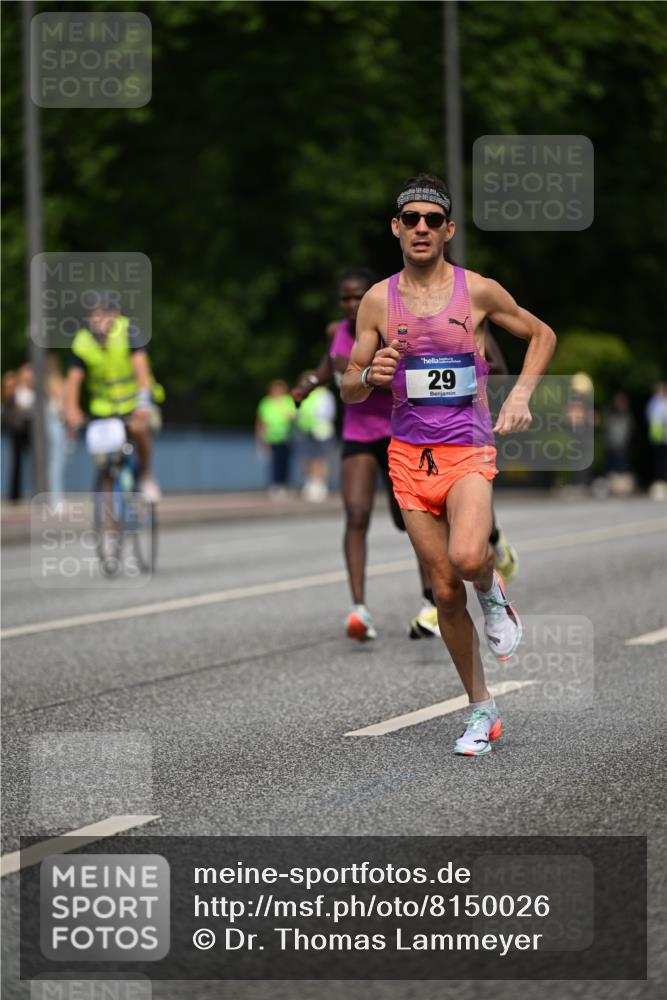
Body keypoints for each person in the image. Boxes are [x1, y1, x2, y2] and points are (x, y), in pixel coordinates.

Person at [341, 173, 556, 756]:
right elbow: (350, 386)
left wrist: (519, 396)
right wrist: (368, 376)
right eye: (410, 218)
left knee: (465, 558)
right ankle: (480, 710)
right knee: (442, 590)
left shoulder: (478, 291)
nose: (420, 228)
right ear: (395, 227)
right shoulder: (378, 300)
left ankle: (492, 589)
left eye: (432, 220)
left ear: (448, 229)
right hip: (408, 457)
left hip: (467, 448)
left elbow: (542, 334)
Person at [293, 269, 441, 641]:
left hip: (399, 433)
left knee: (407, 520)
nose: (351, 304)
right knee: (356, 514)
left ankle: (431, 603)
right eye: (345, 298)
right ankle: (359, 610)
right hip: (357, 433)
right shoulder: (339, 331)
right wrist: (310, 383)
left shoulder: (393, 326)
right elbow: (333, 363)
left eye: (358, 296)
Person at [64, 295, 164, 501]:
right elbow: (73, 380)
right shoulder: (82, 341)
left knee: (139, 428)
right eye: (94, 314)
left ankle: (146, 474)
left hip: (136, 403)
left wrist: (143, 403)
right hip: (104, 409)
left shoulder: (128, 331)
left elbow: (141, 371)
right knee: (104, 463)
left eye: (104, 313)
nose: (98, 318)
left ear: (115, 314)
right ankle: (110, 527)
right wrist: (71, 410)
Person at [295, 374, 336, 502]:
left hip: (321, 432)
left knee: (320, 459)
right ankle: (311, 482)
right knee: (308, 459)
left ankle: (320, 484)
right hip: (305, 431)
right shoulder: (301, 395)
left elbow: (328, 413)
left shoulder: (324, 394)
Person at [256, 379, 296, 498]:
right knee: (274, 462)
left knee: (285, 461)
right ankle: (275, 484)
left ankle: (284, 484)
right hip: (271, 437)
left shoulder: (288, 401)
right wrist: (260, 436)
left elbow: (294, 416)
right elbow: (261, 420)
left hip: (286, 437)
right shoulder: (266, 402)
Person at [2, 363, 34, 502]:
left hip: (32, 428)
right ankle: (15, 494)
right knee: (16, 461)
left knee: (36, 461)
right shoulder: (16, 389)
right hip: (17, 428)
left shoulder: (35, 390)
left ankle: (36, 490)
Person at [645, 382, 667, 499]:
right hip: (658, 436)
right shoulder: (655, 402)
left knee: (662, 461)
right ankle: (659, 483)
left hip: (663, 436)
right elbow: (649, 417)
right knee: (659, 462)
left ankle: (662, 482)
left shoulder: (657, 403)